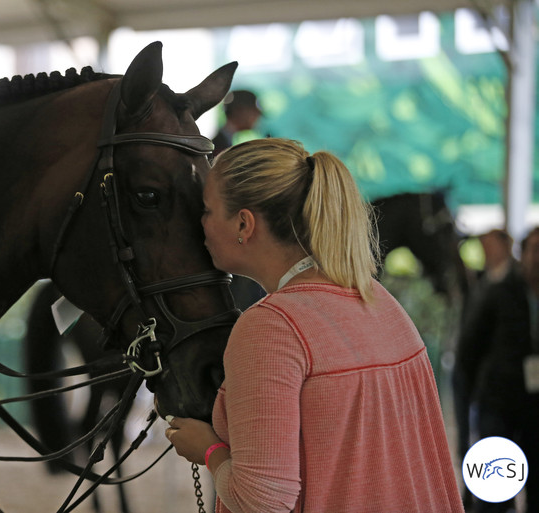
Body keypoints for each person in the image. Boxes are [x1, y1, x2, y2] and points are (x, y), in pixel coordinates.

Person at [164, 138, 464, 512]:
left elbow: (263, 499)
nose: (201, 224)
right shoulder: (378, 300)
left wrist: (207, 449)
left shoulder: (271, 328)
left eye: (208, 210)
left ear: (244, 223)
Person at [456, 228, 539, 513]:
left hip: (535, 410)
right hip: (498, 405)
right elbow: (469, 347)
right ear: (522, 254)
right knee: (495, 489)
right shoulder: (499, 292)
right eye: (534, 250)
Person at [212, 90, 265, 309]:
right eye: (254, 112)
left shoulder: (224, 142)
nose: (257, 118)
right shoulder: (217, 149)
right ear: (242, 112)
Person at [211, 90, 263, 157]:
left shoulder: (222, 143)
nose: (257, 117)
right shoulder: (218, 148)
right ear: (239, 110)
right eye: (254, 111)